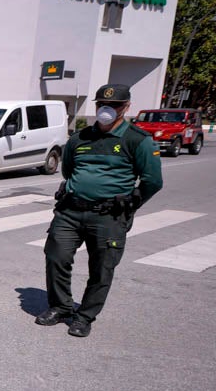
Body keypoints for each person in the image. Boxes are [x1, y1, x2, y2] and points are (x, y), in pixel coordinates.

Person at [37, 83, 163, 338]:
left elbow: (153, 181)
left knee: (102, 267)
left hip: (109, 216)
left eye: (114, 105)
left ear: (126, 107)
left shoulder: (137, 140)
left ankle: (84, 316)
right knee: (56, 256)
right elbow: (68, 170)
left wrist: (130, 203)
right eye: (102, 105)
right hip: (71, 211)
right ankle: (61, 307)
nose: (107, 109)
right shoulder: (80, 138)